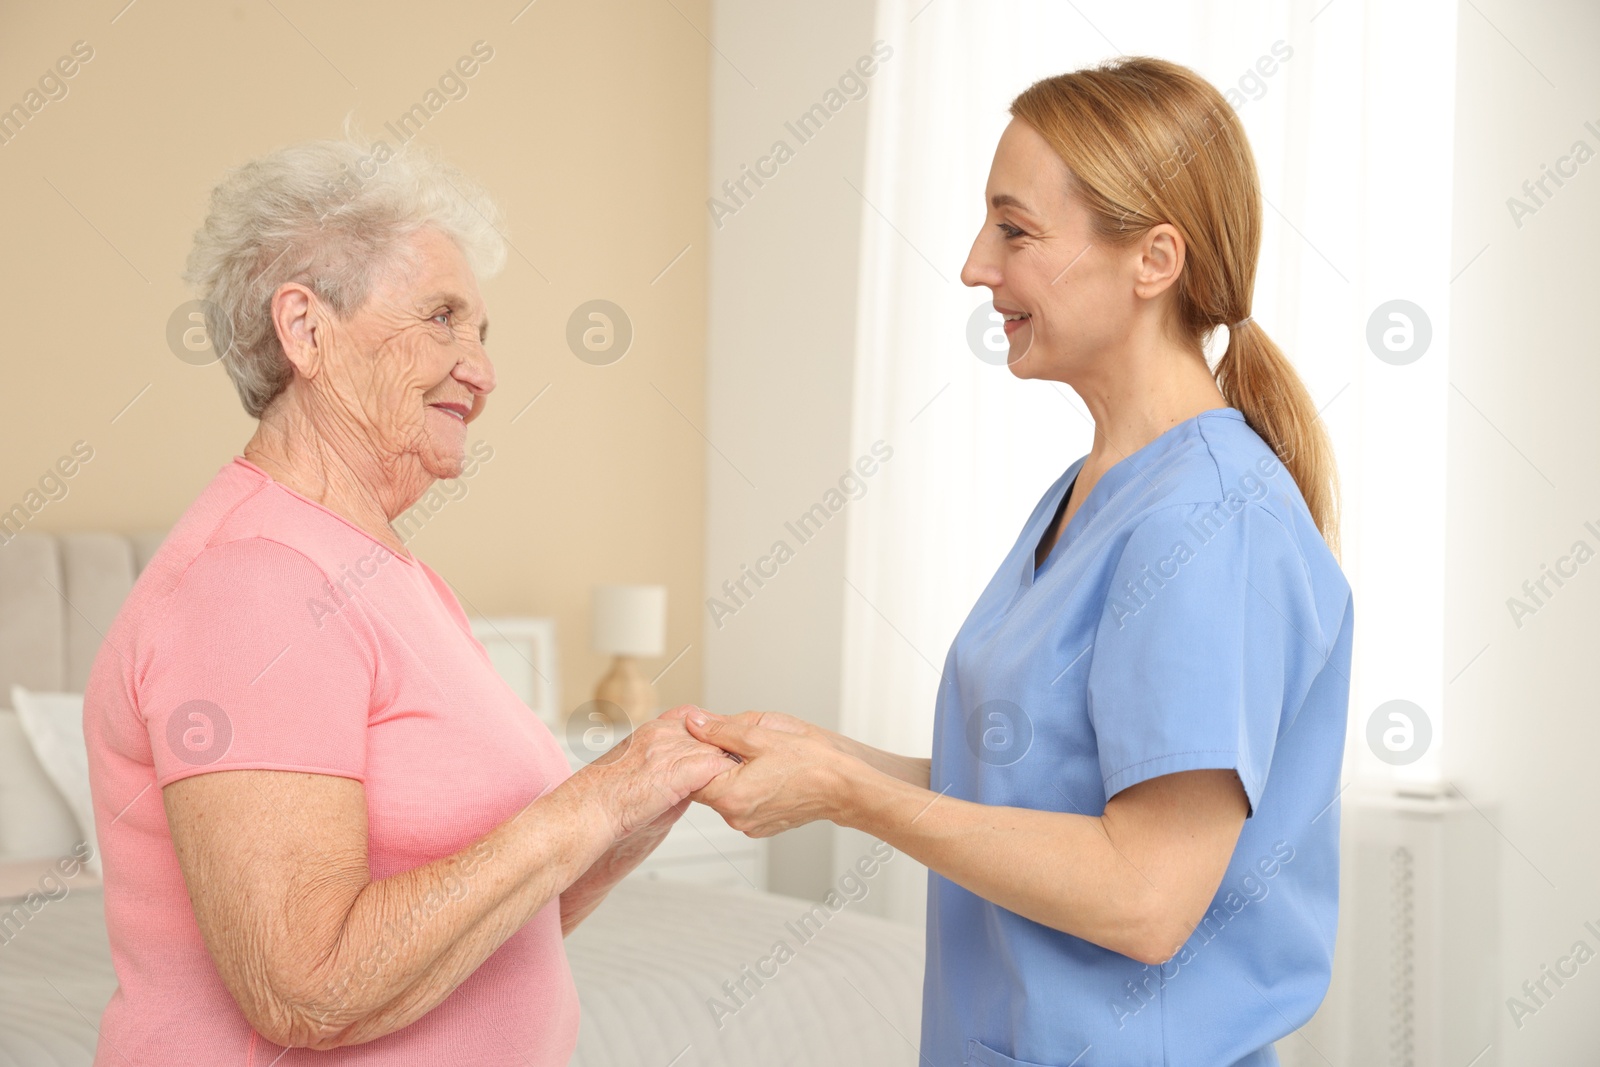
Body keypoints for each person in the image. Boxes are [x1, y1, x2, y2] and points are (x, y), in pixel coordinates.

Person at [682, 56, 1353, 1067]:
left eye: (1015, 230)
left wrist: (851, 797)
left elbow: (1143, 895)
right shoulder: (1089, 491)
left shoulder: (1213, 519)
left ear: (1154, 259)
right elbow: (1031, 792)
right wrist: (823, 755)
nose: (972, 265)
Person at [82, 138, 730, 1065]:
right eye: (442, 319)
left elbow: (501, 924)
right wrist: (594, 801)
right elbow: (307, 989)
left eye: (482, 332)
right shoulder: (252, 586)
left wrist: (638, 803)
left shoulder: (386, 575)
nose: (482, 369)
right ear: (304, 330)